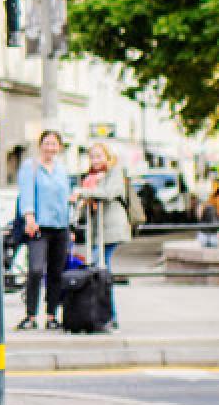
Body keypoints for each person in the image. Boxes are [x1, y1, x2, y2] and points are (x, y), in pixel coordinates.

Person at [74, 141, 133, 329]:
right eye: (92, 156)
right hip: (97, 232)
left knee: (101, 268)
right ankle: (103, 313)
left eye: (99, 156)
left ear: (108, 157)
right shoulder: (90, 178)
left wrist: (83, 191)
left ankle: (108, 314)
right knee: (100, 270)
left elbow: (108, 193)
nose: (95, 160)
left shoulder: (114, 173)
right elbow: (84, 210)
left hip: (111, 230)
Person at [16, 130, 71, 329]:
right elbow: (26, 193)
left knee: (56, 272)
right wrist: (29, 217)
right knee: (36, 270)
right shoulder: (30, 167)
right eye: (47, 143)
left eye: (54, 144)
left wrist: (69, 223)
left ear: (59, 147)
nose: (50, 148)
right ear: (40, 145)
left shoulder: (62, 169)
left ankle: (51, 316)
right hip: (38, 226)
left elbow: (66, 197)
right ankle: (30, 315)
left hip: (60, 226)